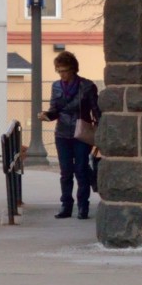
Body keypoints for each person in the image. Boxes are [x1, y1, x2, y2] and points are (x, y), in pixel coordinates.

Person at [38, 50, 101, 219]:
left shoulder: (87, 86)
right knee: (65, 172)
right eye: (59, 71)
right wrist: (46, 116)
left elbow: (96, 111)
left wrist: (100, 133)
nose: (62, 74)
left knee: (81, 169)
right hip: (63, 132)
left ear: (73, 69)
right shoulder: (56, 86)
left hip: (81, 133)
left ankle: (83, 206)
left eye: (65, 70)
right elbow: (55, 110)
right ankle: (66, 205)